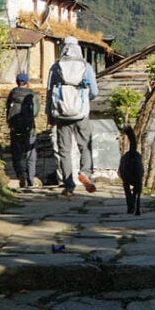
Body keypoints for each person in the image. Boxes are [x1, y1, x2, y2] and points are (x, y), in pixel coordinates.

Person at [47, 36, 98, 195]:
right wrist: (83, 102)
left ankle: (69, 186)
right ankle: (85, 173)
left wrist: (50, 113)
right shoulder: (86, 67)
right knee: (85, 146)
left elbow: (49, 92)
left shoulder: (56, 67)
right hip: (81, 114)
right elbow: (95, 92)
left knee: (64, 150)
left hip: (62, 115)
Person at [5, 72, 40, 190]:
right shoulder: (32, 94)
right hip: (29, 129)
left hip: (16, 128)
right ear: (27, 82)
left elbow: (7, 108)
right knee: (31, 152)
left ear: (17, 82)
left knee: (16, 152)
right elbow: (35, 111)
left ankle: (20, 174)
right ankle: (30, 178)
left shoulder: (13, 93)